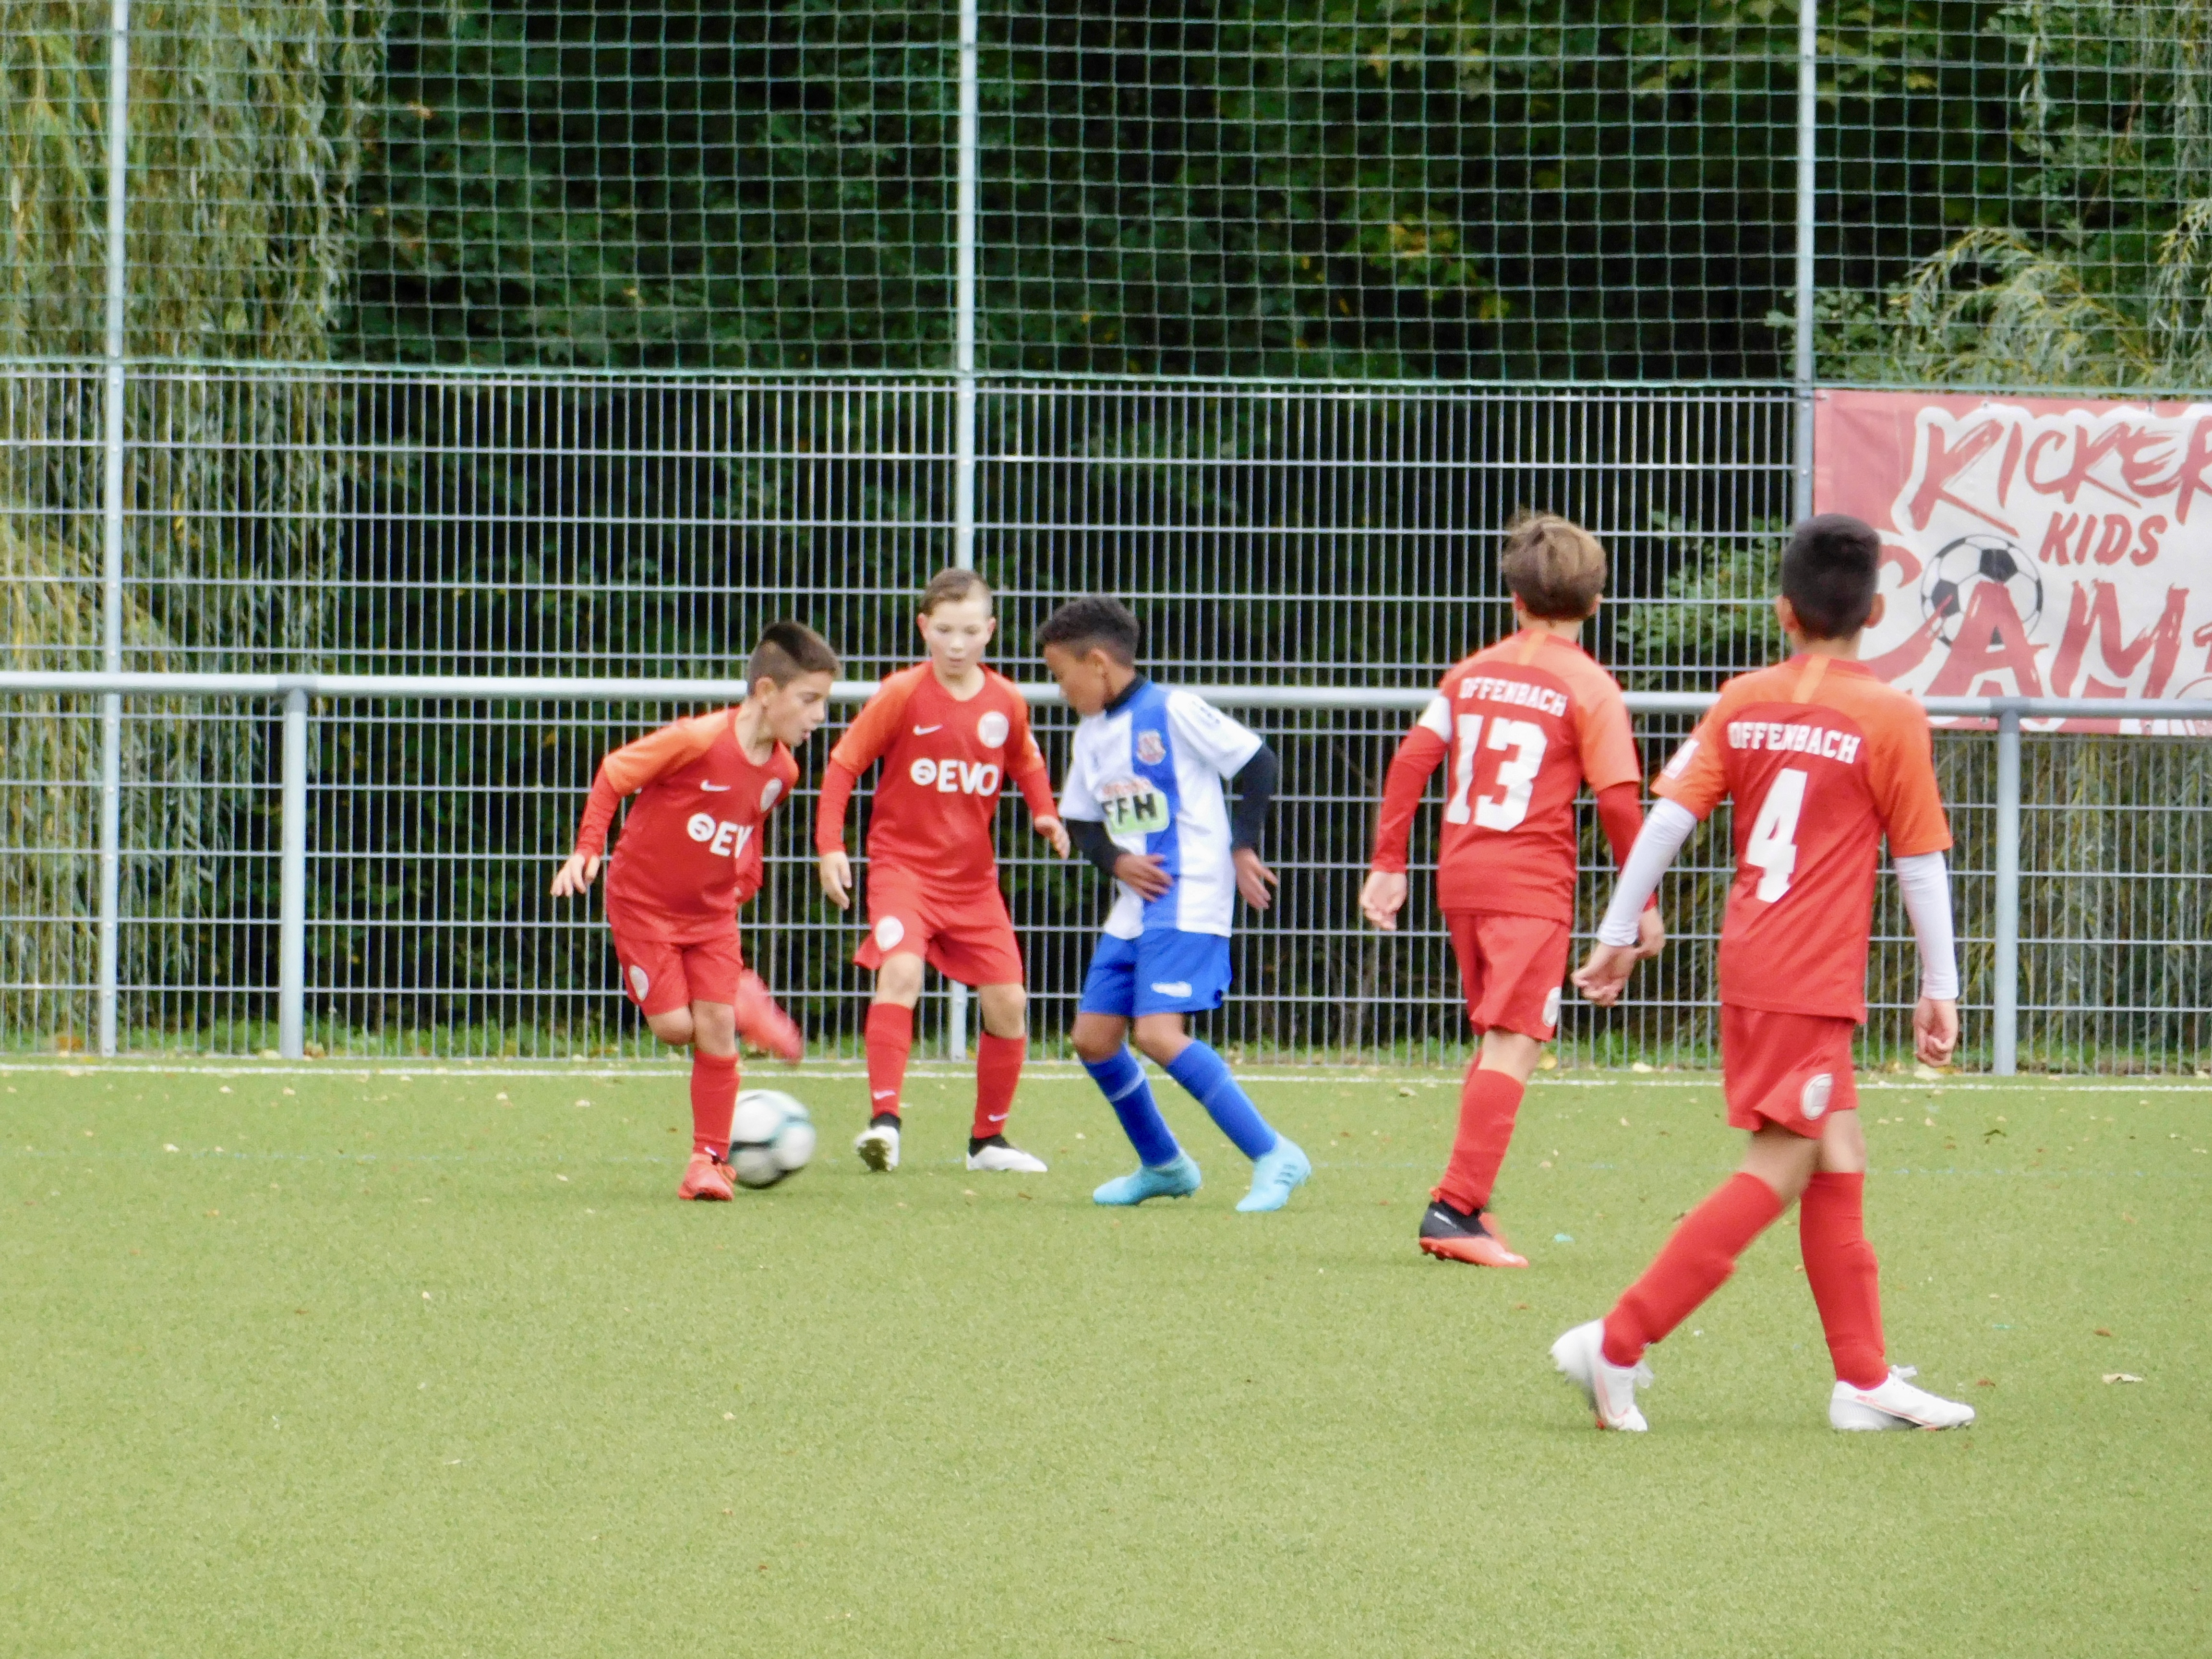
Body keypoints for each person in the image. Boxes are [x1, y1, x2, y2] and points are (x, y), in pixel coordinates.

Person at [1553, 514, 1975, 1432]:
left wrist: (1617, 929)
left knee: (1837, 1156)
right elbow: (1918, 863)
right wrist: (1939, 986)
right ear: (1874, 611)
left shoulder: (1743, 697)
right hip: (1807, 979)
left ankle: (1861, 1378)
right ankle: (1616, 1341)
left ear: (1783, 611)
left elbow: (1668, 819)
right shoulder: (1890, 714)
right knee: (1780, 1167)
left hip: (1752, 962)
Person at [1361, 514, 1663, 1267]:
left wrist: (1389, 861)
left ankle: (1473, 1203)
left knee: (1500, 1036)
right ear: (1596, 604)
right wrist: (1642, 906)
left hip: (1461, 876)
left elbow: (1411, 761)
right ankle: (1455, 1209)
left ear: (1515, 600)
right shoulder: (1590, 686)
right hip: (1530, 884)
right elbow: (1620, 804)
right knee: (1518, 1039)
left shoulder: (1469, 674)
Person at [1038, 596, 1310, 1213]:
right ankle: (1164, 1165)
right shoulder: (1091, 735)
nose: (1060, 689)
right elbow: (1082, 822)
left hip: (1191, 896)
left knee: (1158, 1035)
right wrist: (1118, 862)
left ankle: (1274, 1153)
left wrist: (1242, 846)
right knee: (1093, 1039)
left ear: (1098, 663)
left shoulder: (1174, 710)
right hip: (1135, 906)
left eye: (1061, 674)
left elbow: (1257, 761)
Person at [550, 621, 838, 1202]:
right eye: (809, 700)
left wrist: (746, 877)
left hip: (711, 916)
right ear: (766, 692)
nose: (819, 716)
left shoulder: (783, 772)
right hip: (642, 906)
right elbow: (615, 773)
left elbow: (746, 826)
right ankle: (745, 998)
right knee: (675, 1028)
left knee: (715, 1027)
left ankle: (707, 1164)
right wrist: (587, 849)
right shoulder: (698, 740)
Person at [814, 567, 1070, 1175]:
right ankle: (885, 1124)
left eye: (970, 632)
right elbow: (844, 765)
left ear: (991, 632)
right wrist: (830, 846)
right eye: (946, 631)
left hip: (973, 883)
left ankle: (988, 1142)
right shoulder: (902, 693)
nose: (957, 645)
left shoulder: (1005, 700)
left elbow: (1026, 762)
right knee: (901, 971)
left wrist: (1045, 813)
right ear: (924, 628)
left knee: (1009, 1000)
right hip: (902, 872)